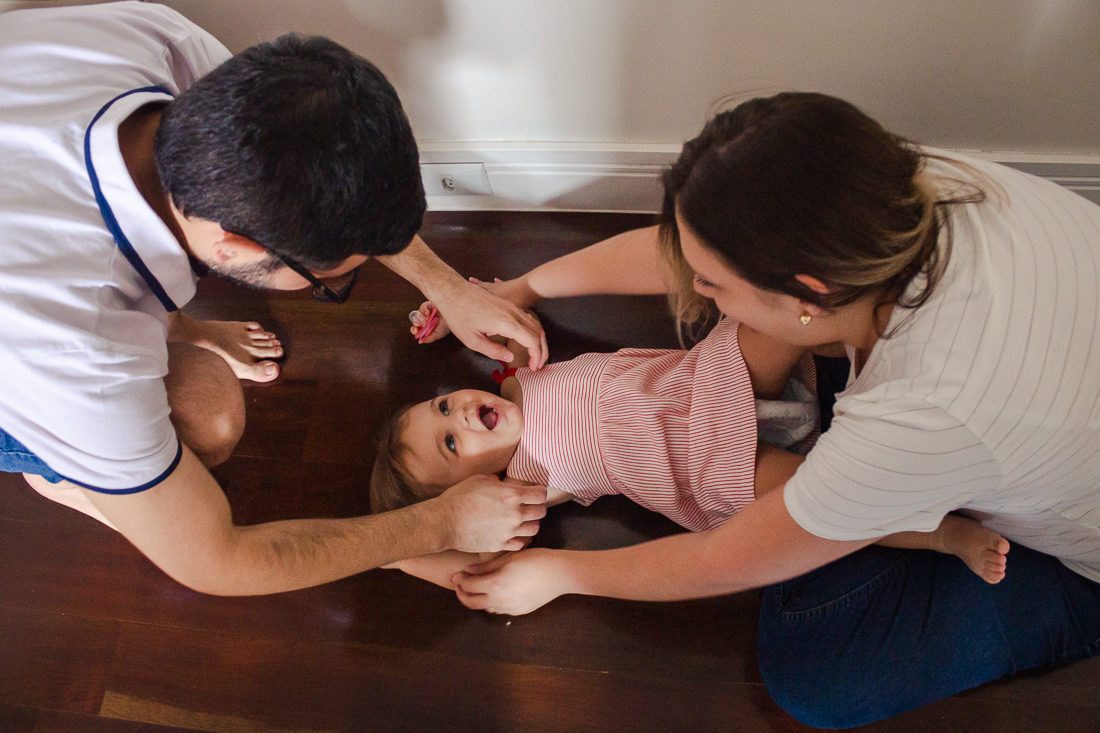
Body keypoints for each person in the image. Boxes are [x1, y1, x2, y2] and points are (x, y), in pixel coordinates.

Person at [442, 93, 1100, 728]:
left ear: (807, 295)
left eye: (713, 286)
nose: (696, 291)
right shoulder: (911, 185)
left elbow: (720, 560)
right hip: (1037, 402)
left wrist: (562, 573)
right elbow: (685, 253)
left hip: (1083, 549)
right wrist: (525, 285)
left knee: (811, 676)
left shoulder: (924, 409)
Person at [0, 2, 548, 597]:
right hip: (28, 363)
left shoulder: (153, 43)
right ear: (233, 245)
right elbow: (216, 562)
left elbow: (309, 175)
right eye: (331, 279)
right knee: (208, 416)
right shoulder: (79, 360)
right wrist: (438, 522)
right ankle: (61, 472)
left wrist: (446, 286)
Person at [374, 314, 1010, 588]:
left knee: (773, 321)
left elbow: (496, 319)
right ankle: (937, 534)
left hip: (711, 380)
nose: (456, 413)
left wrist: (444, 317)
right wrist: (394, 557)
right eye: (452, 442)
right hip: (709, 465)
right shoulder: (525, 487)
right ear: (471, 491)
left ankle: (890, 328)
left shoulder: (514, 376)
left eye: (439, 407)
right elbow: (469, 563)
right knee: (825, 501)